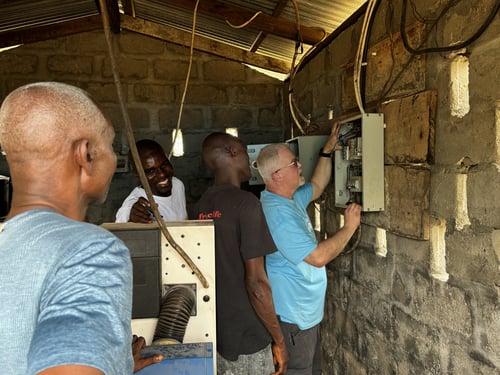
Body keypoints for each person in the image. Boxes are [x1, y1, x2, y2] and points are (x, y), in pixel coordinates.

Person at [0, 82, 133, 374]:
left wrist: (111, 363)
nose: (113, 158)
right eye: (110, 145)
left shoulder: (7, 243)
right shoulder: (89, 249)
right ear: (85, 155)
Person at [255, 122, 362, 374]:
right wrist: (349, 227)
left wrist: (328, 150)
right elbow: (318, 257)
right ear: (277, 176)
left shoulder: (287, 199)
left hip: (304, 315)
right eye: (294, 163)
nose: (300, 165)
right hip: (292, 319)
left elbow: (317, 185)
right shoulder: (278, 214)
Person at [191, 132, 288, 375]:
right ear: (233, 152)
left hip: (217, 334)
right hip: (248, 337)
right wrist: (279, 339)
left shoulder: (201, 205)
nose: (249, 160)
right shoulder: (246, 204)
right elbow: (256, 284)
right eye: (246, 152)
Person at [115, 139, 187, 223]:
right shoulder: (131, 207)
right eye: (150, 171)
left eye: (164, 164)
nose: (162, 174)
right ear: (137, 174)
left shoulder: (177, 185)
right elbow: (121, 232)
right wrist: (131, 220)